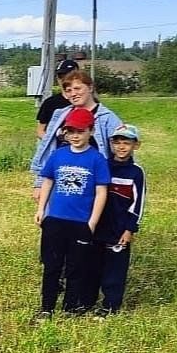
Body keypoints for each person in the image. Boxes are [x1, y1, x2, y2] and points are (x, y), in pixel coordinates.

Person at [34, 108, 110, 321]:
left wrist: (92, 222)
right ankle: (46, 307)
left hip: (80, 222)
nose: (75, 136)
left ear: (91, 131)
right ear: (65, 133)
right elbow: (48, 181)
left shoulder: (97, 159)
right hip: (56, 219)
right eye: (70, 131)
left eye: (80, 131)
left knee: (76, 267)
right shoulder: (58, 155)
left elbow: (101, 192)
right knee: (52, 266)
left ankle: (70, 306)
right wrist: (41, 209)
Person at [30, 70, 123, 201]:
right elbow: (48, 149)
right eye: (68, 90)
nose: (73, 94)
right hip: (59, 183)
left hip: (91, 185)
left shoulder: (107, 119)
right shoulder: (59, 115)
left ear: (90, 87)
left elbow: (121, 153)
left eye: (77, 88)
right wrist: (40, 183)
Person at [93, 124, 146, 317]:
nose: (121, 147)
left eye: (126, 142)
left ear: (136, 145)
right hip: (98, 226)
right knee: (94, 265)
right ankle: (88, 300)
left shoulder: (136, 172)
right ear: (111, 144)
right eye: (117, 142)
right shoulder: (103, 165)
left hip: (119, 229)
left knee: (115, 270)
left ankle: (110, 306)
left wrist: (129, 229)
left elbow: (138, 204)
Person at [36, 58, 79, 137]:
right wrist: (54, 142)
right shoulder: (50, 103)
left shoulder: (84, 101)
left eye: (68, 76)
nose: (64, 80)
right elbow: (40, 130)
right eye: (60, 76)